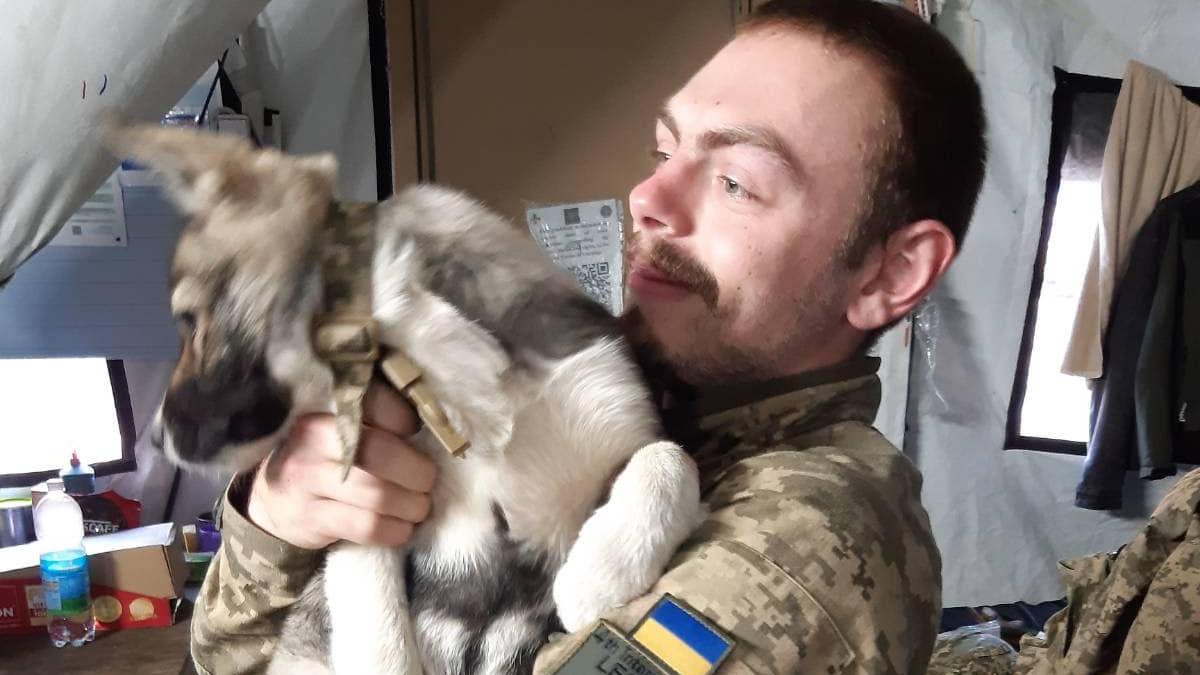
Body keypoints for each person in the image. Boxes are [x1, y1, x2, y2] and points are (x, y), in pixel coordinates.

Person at [190, 0, 986, 672]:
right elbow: (229, 652)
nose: (647, 197)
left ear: (892, 272)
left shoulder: (806, 536)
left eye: (738, 180)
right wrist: (279, 518)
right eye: (665, 151)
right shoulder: (617, 398)